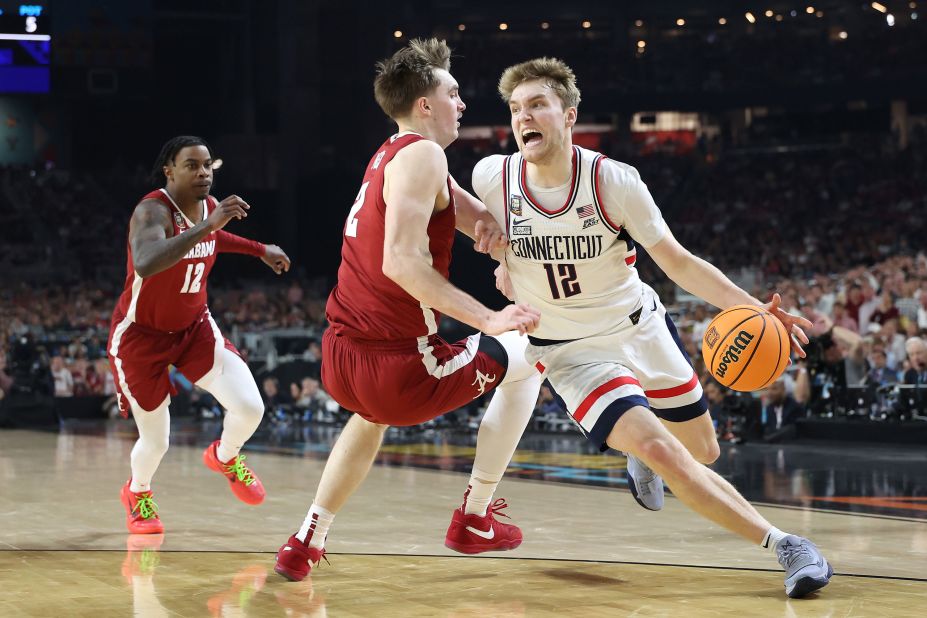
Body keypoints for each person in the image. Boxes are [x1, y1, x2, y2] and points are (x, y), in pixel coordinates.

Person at [469, 57, 832, 598]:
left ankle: (641, 457)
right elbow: (472, 221)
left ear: (569, 115)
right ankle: (785, 544)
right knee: (666, 452)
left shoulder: (612, 181)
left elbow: (679, 263)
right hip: (571, 352)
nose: (525, 116)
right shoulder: (491, 177)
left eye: (538, 104)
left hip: (639, 327)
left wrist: (755, 308)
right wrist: (494, 248)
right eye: (516, 108)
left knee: (703, 451)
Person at [273, 39, 543, 582]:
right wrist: (489, 319)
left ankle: (306, 540)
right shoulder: (425, 154)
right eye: (453, 92)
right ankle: (474, 516)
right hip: (400, 369)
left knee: (368, 419)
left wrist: (498, 238)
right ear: (425, 104)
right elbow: (400, 262)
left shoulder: (391, 154)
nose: (462, 103)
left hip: (341, 360)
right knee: (532, 354)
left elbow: (475, 218)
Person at [108, 135, 292, 534]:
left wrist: (260, 249)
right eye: (192, 165)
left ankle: (226, 456)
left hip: (194, 327)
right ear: (169, 170)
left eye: (208, 164)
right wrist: (209, 224)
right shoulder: (151, 211)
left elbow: (216, 237)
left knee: (250, 408)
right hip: (142, 337)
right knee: (157, 442)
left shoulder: (209, 208)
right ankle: (137, 492)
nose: (203, 172)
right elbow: (146, 261)